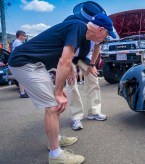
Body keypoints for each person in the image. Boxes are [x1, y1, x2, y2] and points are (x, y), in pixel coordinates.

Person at [8, 6, 116, 163]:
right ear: (100, 30)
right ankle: (56, 155)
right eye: (107, 34)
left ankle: (55, 138)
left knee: (54, 105)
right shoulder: (78, 27)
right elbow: (64, 60)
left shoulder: (81, 32)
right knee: (53, 105)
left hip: (36, 64)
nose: (106, 38)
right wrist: (58, 91)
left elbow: (68, 57)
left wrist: (71, 73)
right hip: (23, 62)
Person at [63, 1, 108, 131]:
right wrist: (70, 69)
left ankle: (94, 112)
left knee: (93, 78)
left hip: (83, 57)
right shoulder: (71, 24)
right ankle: (76, 117)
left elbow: (97, 46)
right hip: (68, 55)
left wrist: (92, 65)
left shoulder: (100, 27)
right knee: (72, 83)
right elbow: (64, 49)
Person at [11, 30, 29, 98]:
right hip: (18, 61)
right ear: (20, 36)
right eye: (24, 36)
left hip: (17, 61)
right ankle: (22, 93)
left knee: (22, 77)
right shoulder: (18, 43)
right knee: (22, 78)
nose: (25, 37)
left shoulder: (17, 42)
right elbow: (21, 52)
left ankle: (22, 90)